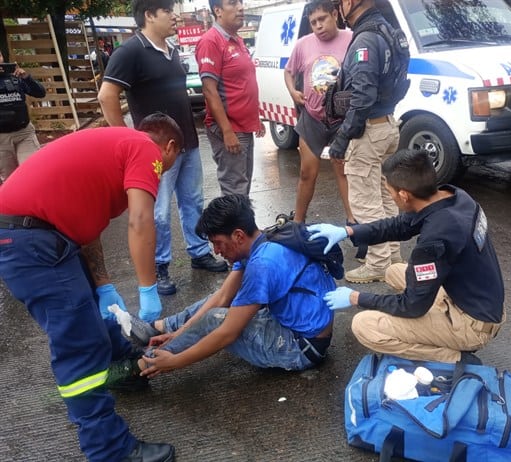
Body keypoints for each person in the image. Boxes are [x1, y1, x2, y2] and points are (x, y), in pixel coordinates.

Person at [0, 113, 182, 461]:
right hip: (30, 239)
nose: (164, 170)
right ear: (170, 147)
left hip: (39, 234)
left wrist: (103, 286)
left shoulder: (114, 150)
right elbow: (142, 220)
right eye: (171, 161)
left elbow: (88, 228)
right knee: (78, 344)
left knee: (94, 318)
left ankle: (123, 370)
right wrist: (148, 291)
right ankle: (110, 450)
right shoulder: (147, 149)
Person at [307, 149, 505, 364]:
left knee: (364, 326)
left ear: (404, 195)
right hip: (480, 300)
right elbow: (401, 225)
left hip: (473, 324)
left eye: (389, 191)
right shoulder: (455, 197)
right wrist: (349, 231)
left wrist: (356, 298)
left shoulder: (434, 242)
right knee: (394, 271)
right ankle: (442, 322)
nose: (390, 195)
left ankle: (455, 358)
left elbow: (411, 306)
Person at [118, 194, 336, 378]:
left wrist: (175, 362)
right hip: (297, 322)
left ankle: (145, 366)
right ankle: (164, 328)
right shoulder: (262, 238)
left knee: (215, 320)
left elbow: (227, 333)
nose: (216, 251)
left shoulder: (262, 265)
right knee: (221, 301)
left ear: (238, 235)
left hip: (300, 346)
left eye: (218, 243)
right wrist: (179, 332)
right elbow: (223, 297)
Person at [99, 0, 228, 298]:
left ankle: (198, 253)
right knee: (157, 212)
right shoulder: (130, 51)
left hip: (186, 142)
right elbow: (107, 95)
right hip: (153, 151)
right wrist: (127, 141)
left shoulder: (170, 51)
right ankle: (159, 266)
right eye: (167, 11)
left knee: (192, 202)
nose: (174, 16)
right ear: (148, 15)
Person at [327, 0, 409, 283]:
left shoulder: (366, 38)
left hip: (369, 131)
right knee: (386, 199)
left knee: (365, 203)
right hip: (387, 124)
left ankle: (377, 264)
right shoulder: (388, 31)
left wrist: (342, 137)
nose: (337, 9)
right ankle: (393, 257)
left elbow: (362, 97)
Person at [284, 0, 354, 224]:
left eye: (322, 19)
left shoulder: (352, 39)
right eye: (313, 22)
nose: (318, 26)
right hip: (312, 118)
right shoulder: (303, 44)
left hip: (342, 120)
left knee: (344, 173)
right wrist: (293, 92)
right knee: (307, 173)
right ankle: (298, 224)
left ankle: (355, 225)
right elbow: (288, 72)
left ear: (335, 14)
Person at [196, 0, 265, 196]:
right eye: (233, 3)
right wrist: (227, 131)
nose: (241, 7)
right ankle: (234, 227)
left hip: (244, 128)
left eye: (241, 2)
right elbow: (209, 90)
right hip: (230, 129)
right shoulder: (211, 41)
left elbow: (243, 83)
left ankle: (242, 226)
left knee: (243, 188)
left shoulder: (237, 40)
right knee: (235, 191)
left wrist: (256, 118)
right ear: (217, 11)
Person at [0, 51, 46, 183]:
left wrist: (26, 77)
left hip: (23, 133)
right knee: (11, 181)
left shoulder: (15, 78)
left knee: (34, 173)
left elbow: (40, 93)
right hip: (1, 140)